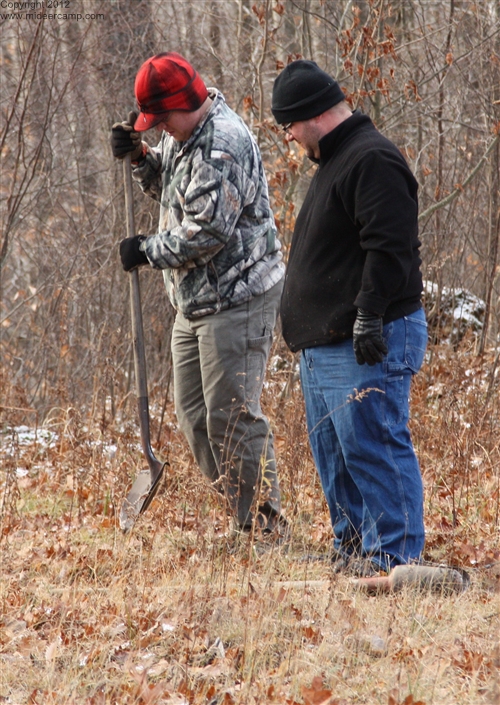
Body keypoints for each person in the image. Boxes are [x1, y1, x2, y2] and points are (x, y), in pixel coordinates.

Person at [111, 52, 286, 538]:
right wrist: (142, 159)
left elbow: (205, 233)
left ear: (184, 103)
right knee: (194, 418)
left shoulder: (222, 145)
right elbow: (171, 188)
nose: (159, 127)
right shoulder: (182, 135)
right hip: (195, 301)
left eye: (162, 118)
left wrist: (145, 250)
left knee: (232, 417)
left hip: (239, 297)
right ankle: (242, 513)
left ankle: (265, 527)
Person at [271, 60, 428, 575]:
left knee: (374, 444)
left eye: (289, 124)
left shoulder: (372, 158)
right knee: (335, 456)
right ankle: (356, 551)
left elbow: (391, 246)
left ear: (313, 115)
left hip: (366, 336)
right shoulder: (339, 161)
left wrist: (369, 316)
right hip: (325, 345)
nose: (290, 136)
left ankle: (396, 558)